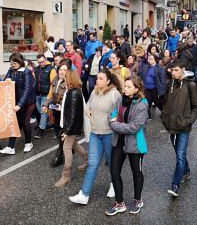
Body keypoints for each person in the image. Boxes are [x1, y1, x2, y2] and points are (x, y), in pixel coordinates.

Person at [69, 69, 122, 205]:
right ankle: (84, 194)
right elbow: (87, 106)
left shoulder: (114, 94)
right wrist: (88, 112)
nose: (97, 80)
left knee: (112, 163)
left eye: (100, 78)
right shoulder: (94, 92)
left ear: (108, 81)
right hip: (95, 134)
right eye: (97, 78)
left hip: (109, 134)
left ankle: (113, 184)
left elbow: (121, 114)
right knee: (92, 164)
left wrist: (113, 120)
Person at [105, 77, 149, 216]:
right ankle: (119, 203)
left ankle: (137, 200)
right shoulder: (120, 100)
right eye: (125, 86)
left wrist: (115, 125)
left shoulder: (142, 105)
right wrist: (114, 122)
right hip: (119, 140)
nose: (125, 89)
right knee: (114, 171)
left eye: (129, 87)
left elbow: (134, 127)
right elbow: (110, 116)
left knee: (136, 172)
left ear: (137, 89)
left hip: (135, 144)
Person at [161, 59, 197, 197]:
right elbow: (165, 103)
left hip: (183, 127)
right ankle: (186, 170)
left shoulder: (191, 85)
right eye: (172, 70)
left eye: (176, 70)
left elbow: (196, 107)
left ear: (183, 69)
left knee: (180, 156)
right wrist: (164, 118)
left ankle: (175, 184)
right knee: (180, 154)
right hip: (171, 125)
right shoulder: (169, 84)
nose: (173, 73)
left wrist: (188, 121)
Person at [54, 69, 88, 188]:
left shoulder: (74, 92)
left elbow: (73, 114)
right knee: (74, 145)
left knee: (66, 147)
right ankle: (88, 160)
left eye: (65, 75)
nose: (62, 75)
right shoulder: (72, 90)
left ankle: (66, 176)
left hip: (72, 126)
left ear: (70, 78)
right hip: (72, 125)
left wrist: (67, 131)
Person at [0, 53, 36, 155]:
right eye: (11, 62)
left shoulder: (26, 72)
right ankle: (11, 147)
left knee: (25, 122)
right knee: (16, 123)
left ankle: (29, 143)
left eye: (14, 63)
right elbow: (4, 81)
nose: (12, 65)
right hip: (16, 102)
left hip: (28, 102)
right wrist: (6, 80)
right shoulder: (11, 70)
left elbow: (27, 90)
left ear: (20, 62)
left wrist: (19, 105)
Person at [44, 60, 71, 167]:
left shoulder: (70, 83)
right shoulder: (55, 79)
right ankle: (83, 155)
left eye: (64, 70)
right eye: (60, 69)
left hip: (65, 113)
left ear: (68, 71)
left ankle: (59, 156)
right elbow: (51, 95)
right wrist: (46, 105)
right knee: (58, 133)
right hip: (55, 111)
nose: (62, 71)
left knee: (61, 135)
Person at [33, 54, 56, 139]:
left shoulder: (51, 69)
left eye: (42, 61)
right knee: (41, 111)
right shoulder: (36, 69)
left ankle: (41, 129)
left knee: (43, 112)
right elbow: (35, 81)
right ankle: (49, 123)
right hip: (37, 94)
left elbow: (52, 84)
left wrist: (49, 96)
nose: (41, 63)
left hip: (46, 94)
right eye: (39, 62)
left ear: (45, 59)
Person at [139, 53, 166, 119]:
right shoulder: (146, 67)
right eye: (149, 58)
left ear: (155, 60)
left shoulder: (159, 68)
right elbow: (141, 76)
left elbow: (162, 80)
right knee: (147, 103)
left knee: (158, 103)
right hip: (147, 89)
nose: (149, 60)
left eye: (151, 59)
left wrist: (162, 91)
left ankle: (165, 113)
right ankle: (148, 116)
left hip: (155, 89)